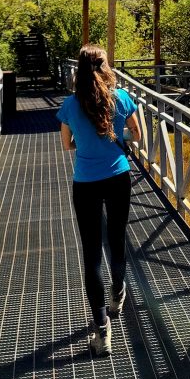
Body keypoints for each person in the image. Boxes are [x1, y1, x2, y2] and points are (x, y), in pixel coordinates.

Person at [57, 43, 142, 357]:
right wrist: (114, 133)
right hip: (118, 177)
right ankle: (118, 293)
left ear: (78, 69)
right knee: (116, 242)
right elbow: (137, 136)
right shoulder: (121, 98)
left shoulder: (70, 105)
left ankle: (102, 332)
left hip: (86, 184)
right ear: (107, 67)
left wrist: (86, 137)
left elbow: (67, 145)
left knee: (91, 255)